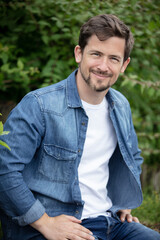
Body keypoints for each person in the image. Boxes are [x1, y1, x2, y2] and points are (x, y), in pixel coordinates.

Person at [0, 14, 159, 240]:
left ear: (124, 65)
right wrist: (44, 223)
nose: (103, 66)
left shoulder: (121, 105)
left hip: (109, 222)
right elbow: (4, 170)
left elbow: (132, 156)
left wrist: (125, 202)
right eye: (96, 54)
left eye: (114, 58)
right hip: (51, 225)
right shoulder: (39, 105)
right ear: (79, 53)